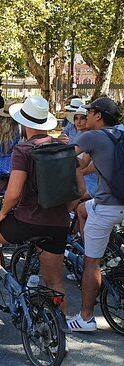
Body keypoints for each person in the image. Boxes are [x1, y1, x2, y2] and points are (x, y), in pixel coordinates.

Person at [0, 96, 82, 313]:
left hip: (27, 220)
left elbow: (13, 193)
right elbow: (81, 190)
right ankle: (60, 334)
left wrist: (1, 213)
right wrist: (65, 211)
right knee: (55, 284)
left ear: (24, 123)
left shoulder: (23, 150)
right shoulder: (64, 148)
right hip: (58, 223)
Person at [69, 97, 124, 332]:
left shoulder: (91, 137)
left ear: (98, 115)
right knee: (82, 208)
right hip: (118, 205)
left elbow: (66, 157)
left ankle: (86, 318)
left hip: (108, 207)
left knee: (92, 263)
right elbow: (88, 164)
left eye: (89, 112)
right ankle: (107, 245)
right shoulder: (120, 133)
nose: (85, 116)